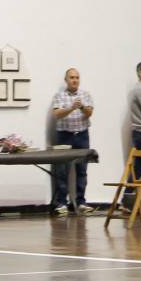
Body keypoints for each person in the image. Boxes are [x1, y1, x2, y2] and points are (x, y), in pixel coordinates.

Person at [49, 67, 95, 215]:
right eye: (72, 78)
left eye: (77, 78)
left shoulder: (85, 95)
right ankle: (62, 203)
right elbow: (57, 114)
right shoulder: (59, 96)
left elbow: (89, 113)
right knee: (62, 171)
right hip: (64, 136)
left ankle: (81, 202)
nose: (75, 80)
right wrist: (71, 108)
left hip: (82, 135)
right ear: (66, 80)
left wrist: (81, 107)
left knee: (82, 171)